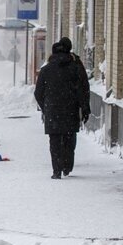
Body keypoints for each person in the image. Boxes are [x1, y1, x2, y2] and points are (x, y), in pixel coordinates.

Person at [34, 38, 89, 179]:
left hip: (53, 110)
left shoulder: (46, 70)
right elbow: (83, 89)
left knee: (55, 141)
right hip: (70, 109)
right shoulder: (75, 68)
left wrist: (45, 107)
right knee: (69, 139)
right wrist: (84, 107)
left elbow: (38, 92)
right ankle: (67, 166)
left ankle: (56, 171)